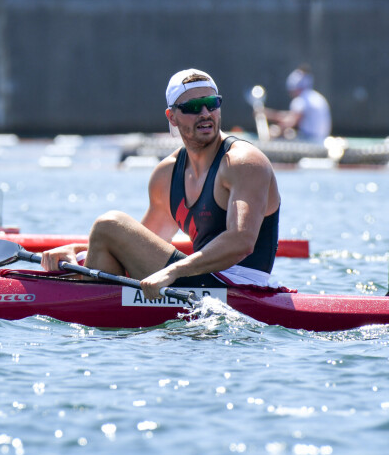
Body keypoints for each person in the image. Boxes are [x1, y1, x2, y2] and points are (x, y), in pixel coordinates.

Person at [41, 68, 280, 300]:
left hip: (243, 287)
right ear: (172, 117)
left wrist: (172, 271)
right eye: (193, 107)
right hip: (200, 281)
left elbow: (242, 241)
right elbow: (142, 242)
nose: (205, 113)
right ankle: (102, 322)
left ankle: (85, 310)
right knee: (106, 241)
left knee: (109, 225)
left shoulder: (243, 162)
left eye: (212, 103)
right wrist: (78, 250)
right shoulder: (167, 173)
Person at [264, 65, 332, 144]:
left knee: (284, 133)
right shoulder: (317, 97)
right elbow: (292, 115)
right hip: (321, 140)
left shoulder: (300, 100)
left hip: (311, 142)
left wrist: (275, 131)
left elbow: (290, 121)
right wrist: (269, 114)